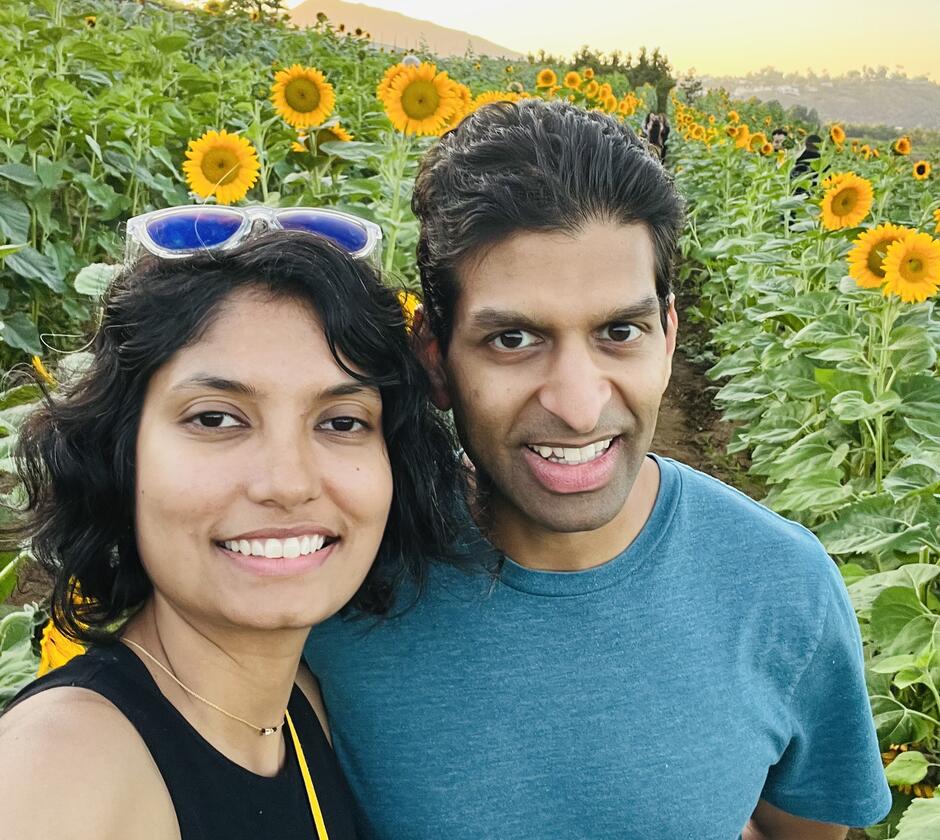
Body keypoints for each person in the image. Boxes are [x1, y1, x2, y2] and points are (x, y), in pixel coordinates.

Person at [304, 101, 892, 839]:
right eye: (513, 339)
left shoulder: (781, 589)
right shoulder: (337, 582)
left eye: (620, 332)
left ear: (668, 337)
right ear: (435, 358)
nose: (579, 407)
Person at [0, 213, 463, 840]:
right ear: (119, 454)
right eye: (216, 419)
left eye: (342, 421)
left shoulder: (305, 710)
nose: (288, 482)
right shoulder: (65, 769)